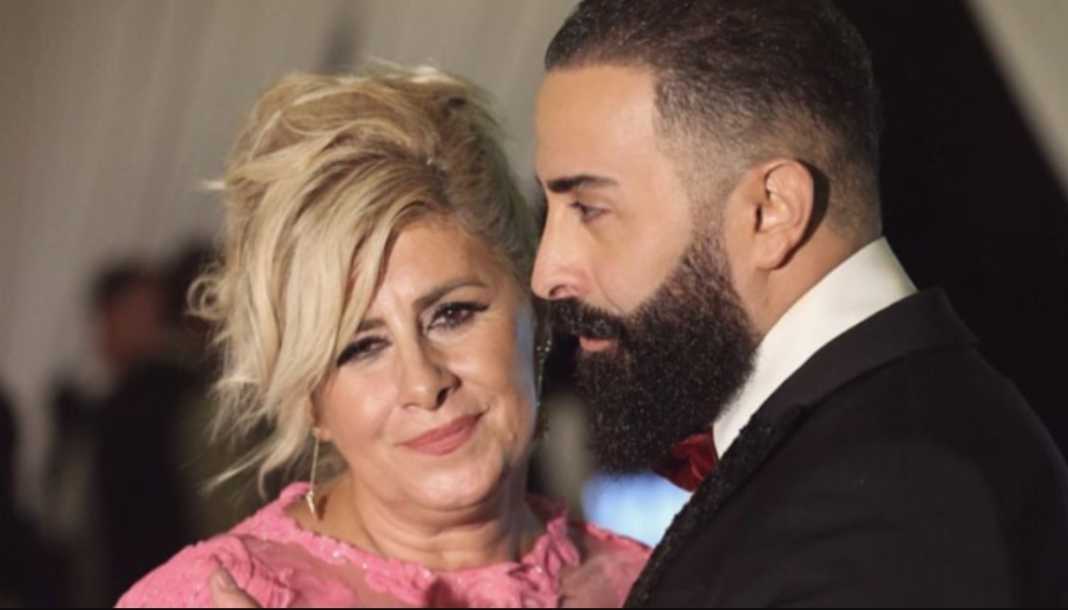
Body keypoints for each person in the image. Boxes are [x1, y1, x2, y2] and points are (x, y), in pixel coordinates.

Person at [532, 0, 1068, 606]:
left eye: (590, 208)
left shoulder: (892, 500)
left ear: (771, 212)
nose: (547, 272)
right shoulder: (878, 444)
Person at [117, 65, 648, 608]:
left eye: (452, 314)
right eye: (360, 347)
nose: (423, 383)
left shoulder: (652, 586)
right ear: (312, 403)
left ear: (535, 309)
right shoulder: (204, 598)